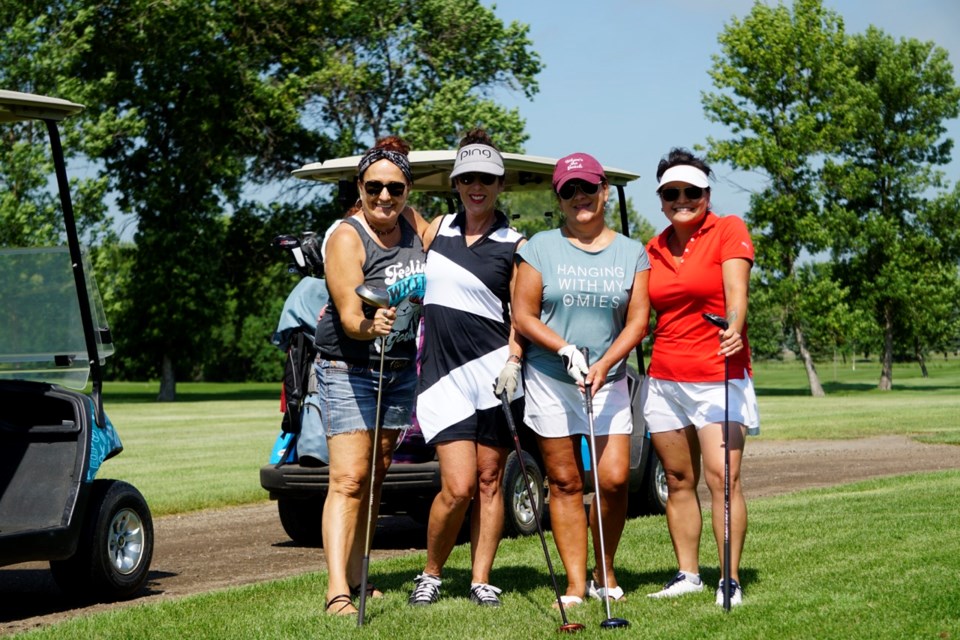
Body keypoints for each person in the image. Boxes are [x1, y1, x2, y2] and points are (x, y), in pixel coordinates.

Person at [512, 152, 650, 608]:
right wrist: (563, 348)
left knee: (612, 480)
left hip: (607, 379)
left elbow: (637, 322)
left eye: (587, 187)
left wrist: (606, 361)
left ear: (603, 191)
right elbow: (524, 314)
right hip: (552, 378)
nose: (579, 198)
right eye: (568, 190)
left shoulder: (632, 252)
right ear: (560, 199)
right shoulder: (540, 247)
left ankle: (604, 568)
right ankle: (576, 583)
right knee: (566, 481)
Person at [408, 129, 526, 608]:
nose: (477, 186)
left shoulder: (515, 243)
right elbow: (384, 209)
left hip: (496, 374)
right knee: (456, 487)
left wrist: (516, 360)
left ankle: (481, 579)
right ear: (456, 183)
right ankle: (432, 573)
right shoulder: (436, 230)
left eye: (487, 179)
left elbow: (522, 313)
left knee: (490, 480)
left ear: (500, 185)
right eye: (469, 178)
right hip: (441, 378)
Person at [314, 136, 428, 615]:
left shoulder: (411, 224)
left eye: (395, 188)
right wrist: (370, 323)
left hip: (398, 368)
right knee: (348, 478)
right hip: (349, 365)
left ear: (407, 191)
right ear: (360, 187)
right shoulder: (346, 236)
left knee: (377, 475)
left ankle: (360, 575)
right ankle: (337, 590)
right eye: (375, 186)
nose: (385, 196)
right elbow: (347, 316)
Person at [643, 148, 759, 607]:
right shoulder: (652, 247)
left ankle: (728, 579)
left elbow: (736, 292)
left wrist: (734, 326)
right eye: (672, 193)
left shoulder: (728, 229)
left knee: (722, 479)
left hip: (719, 374)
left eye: (692, 191)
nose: (682, 199)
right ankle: (688, 574)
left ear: (707, 193)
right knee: (677, 478)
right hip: (665, 377)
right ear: (662, 198)